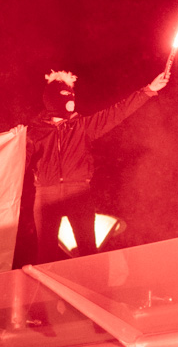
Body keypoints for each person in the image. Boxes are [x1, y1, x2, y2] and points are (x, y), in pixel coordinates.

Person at [26, 69, 169, 263]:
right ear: (51, 99)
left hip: (78, 192)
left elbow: (117, 113)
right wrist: (15, 141)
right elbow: (17, 162)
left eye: (71, 95)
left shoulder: (82, 126)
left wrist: (148, 90)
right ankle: (47, 292)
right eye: (64, 95)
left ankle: (89, 290)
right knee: (46, 256)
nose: (70, 99)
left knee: (88, 253)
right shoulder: (35, 132)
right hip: (46, 195)